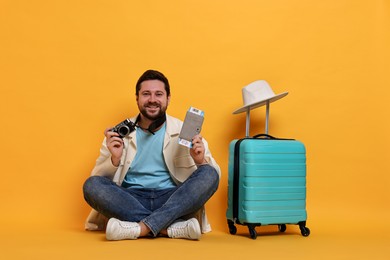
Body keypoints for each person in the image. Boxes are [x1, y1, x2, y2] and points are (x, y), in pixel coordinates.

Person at [83, 69, 221, 240]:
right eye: (146, 94)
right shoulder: (119, 134)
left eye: (159, 94)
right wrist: (114, 159)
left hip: (172, 198)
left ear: (168, 98)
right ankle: (167, 228)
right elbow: (98, 180)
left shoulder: (183, 130)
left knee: (210, 173)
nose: (152, 100)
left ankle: (140, 228)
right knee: (91, 185)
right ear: (137, 98)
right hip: (130, 199)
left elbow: (214, 178)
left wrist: (200, 161)